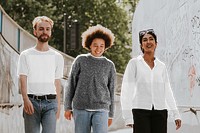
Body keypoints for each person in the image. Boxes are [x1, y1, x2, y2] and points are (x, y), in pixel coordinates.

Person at [120, 29, 181, 133]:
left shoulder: (161, 66)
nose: (148, 42)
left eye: (151, 39)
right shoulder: (134, 63)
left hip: (160, 111)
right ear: (141, 45)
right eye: (144, 40)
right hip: (140, 111)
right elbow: (126, 90)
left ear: (156, 44)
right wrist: (128, 116)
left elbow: (167, 91)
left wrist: (176, 114)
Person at [64, 24, 116, 133]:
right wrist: (67, 107)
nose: (98, 49)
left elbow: (111, 90)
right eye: (95, 45)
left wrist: (111, 114)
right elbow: (71, 84)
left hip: (102, 109)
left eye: (102, 46)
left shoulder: (109, 65)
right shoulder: (80, 60)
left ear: (106, 46)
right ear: (90, 45)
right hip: (81, 108)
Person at [17, 16, 64, 133]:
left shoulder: (57, 57)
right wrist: (25, 99)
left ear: (50, 32)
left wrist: (58, 105)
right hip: (31, 102)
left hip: (51, 103)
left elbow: (57, 82)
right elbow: (22, 79)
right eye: (41, 29)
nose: (44, 32)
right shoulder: (25, 55)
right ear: (35, 31)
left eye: (47, 29)